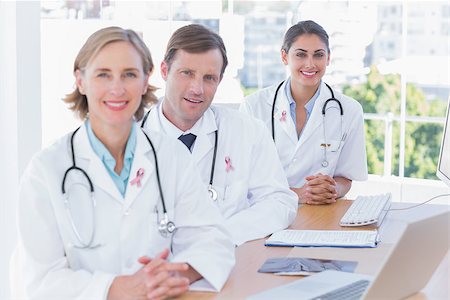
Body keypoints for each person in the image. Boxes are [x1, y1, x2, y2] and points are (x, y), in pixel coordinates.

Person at [10, 26, 234, 299]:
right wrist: (114, 287)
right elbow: (37, 280)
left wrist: (175, 274)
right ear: (81, 81)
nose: (117, 88)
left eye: (129, 74)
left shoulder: (170, 156)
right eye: (103, 74)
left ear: (144, 81)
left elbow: (212, 239)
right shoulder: (46, 171)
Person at [141, 24, 297, 246]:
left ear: (219, 81)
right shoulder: (130, 139)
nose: (197, 88)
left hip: (229, 265)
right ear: (165, 71)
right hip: (153, 271)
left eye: (209, 78)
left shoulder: (248, 131)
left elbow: (280, 202)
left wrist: (220, 236)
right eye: (187, 73)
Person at [240, 20, 368, 205]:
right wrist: (299, 193)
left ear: (328, 58)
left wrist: (332, 190)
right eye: (300, 55)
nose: (310, 64)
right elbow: (243, 178)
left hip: (322, 212)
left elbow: (345, 178)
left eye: (318, 55)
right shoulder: (254, 106)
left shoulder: (349, 111)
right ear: (284, 57)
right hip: (265, 210)